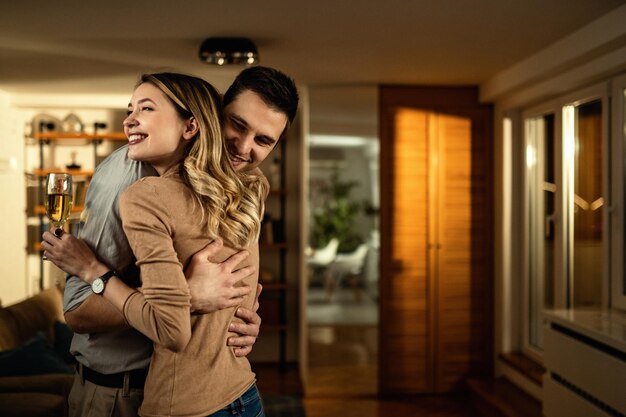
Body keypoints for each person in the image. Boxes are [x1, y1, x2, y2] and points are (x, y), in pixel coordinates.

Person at [41, 66, 299, 417]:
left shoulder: (243, 185)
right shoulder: (129, 176)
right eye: (237, 125)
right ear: (210, 114)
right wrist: (188, 297)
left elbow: (238, 285)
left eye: (263, 140)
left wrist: (241, 319)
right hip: (121, 391)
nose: (243, 147)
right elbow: (78, 313)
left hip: (213, 391)